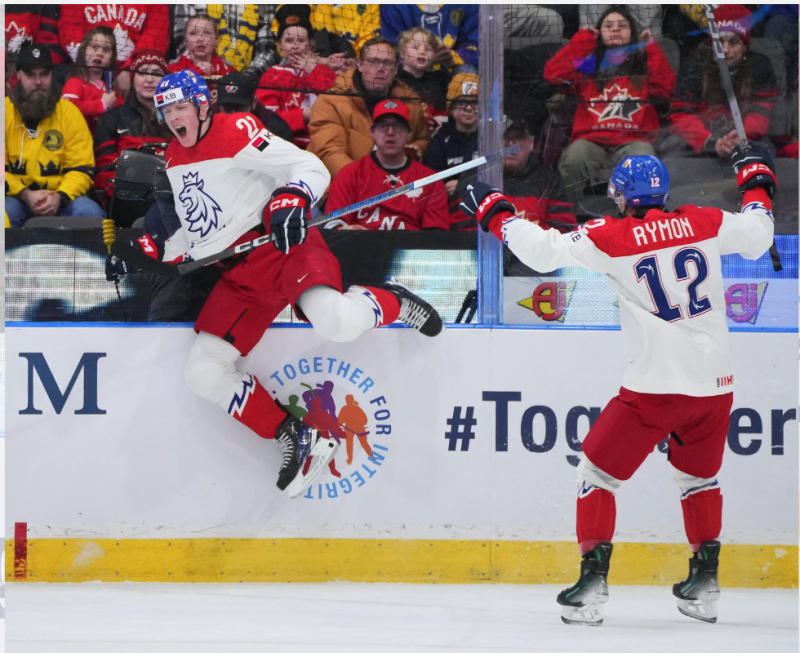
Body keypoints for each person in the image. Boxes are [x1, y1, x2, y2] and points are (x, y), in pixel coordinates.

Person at [459, 149, 776, 626]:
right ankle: (704, 585)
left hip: (655, 387)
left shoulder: (611, 235)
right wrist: (756, 178)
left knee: (597, 475)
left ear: (620, 197)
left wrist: (495, 212)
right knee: (699, 480)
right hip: (715, 386)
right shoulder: (704, 220)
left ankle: (591, 586)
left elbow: (543, 252)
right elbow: (758, 234)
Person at [105, 70, 444, 498]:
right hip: (240, 275)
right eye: (167, 110)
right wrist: (151, 251)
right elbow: (198, 234)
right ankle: (295, 434)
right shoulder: (173, 158)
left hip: (284, 248)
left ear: (201, 105)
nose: (174, 117)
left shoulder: (238, 129)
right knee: (203, 372)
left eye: (180, 107)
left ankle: (393, 302)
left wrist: (293, 198)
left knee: (336, 322)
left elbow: (307, 165)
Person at [543, 6, 676, 203]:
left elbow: (665, 90)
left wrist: (651, 49)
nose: (615, 29)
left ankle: (642, 219)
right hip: (591, 142)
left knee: (645, 162)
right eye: (608, 25)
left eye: (622, 25)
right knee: (573, 159)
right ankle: (570, 218)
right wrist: (582, 41)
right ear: (599, 32)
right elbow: (552, 75)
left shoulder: (643, 66)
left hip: (633, 141)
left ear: (632, 32)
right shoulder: (588, 67)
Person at [5, 44, 105, 227]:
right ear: (18, 75)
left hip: (61, 199)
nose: (38, 82)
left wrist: (59, 197)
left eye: (44, 74)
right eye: (30, 75)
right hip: (15, 197)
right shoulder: (5, 112)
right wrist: (25, 194)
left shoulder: (69, 113)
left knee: (90, 212)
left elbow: (82, 169)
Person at [665, 5, 779, 159]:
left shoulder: (760, 65)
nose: (725, 49)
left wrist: (740, 139)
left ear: (745, 46)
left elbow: (760, 113)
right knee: (672, 146)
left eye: (733, 42)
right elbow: (681, 115)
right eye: (719, 42)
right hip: (703, 140)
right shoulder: (694, 64)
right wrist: (712, 143)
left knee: (765, 150)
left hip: (745, 138)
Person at [308, 35, 430, 177]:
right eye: (373, 61)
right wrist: (365, 182)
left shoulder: (410, 102)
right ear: (360, 64)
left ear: (396, 69)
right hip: (344, 186)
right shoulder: (330, 101)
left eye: (387, 63)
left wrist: (418, 147)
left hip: (394, 185)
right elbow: (330, 152)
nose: (380, 68)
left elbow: (423, 137)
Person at [325, 99, 449, 231]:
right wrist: (345, 232)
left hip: (409, 250)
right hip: (362, 247)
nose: (390, 132)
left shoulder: (429, 179)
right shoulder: (350, 173)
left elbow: (436, 235)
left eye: (398, 126)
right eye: (383, 125)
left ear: (409, 134)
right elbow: (332, 225)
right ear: (372, 132)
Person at [93, 50, 171, 222]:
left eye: (157, 74)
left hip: (169, 199)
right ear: (132, 79)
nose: (149, 79)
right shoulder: (111, 119)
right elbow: (104, 177)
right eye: (142, 73)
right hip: (126, 205)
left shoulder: (176, 121)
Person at [255, 17, 336, 149]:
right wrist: (302, 115)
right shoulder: (272, 75)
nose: (295, 46)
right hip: (287, 144)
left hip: (327, 142)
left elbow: (336, 106)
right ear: (280, 45)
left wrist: (314, 72)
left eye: (301, 40)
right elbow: (266, 121)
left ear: (310, 44)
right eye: (289, 40)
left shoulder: (324, 72)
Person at [61, 26, 124, 133]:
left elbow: (123, 116)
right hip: (78, 142)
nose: (99, 53)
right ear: (83, 52)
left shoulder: (113, 90)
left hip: (106, 144)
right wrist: (102, 104)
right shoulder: (74, 83)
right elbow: (67, 110)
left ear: (111, 59)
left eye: (106, 50)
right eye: (94, 47)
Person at [379, 5, 479, 70]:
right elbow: (390, 50)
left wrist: (453, 57)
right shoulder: (393, 6)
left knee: (467, 71)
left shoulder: (469, 5)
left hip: (451, 71)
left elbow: (478, 49)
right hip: (407, 73)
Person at [395, 28, 450, 134]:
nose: (422, 52)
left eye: (429, 49)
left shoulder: (440, 79)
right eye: (416, 47)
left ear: (434, 55)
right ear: (402, 53)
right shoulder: (393, 79)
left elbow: (443, 113)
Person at [214, 71, 293, 144]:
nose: (234, 115)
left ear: (254, 102)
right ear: (218, 104)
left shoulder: (275, 128)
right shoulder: (206, 123)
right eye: (227, 108)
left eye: (240, 108)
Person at [169, 14, 236, 82]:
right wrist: (194, 72)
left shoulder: (231, 72)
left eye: (207, 33)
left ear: (217, 39)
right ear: (185, 39)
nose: (200, 38)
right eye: (193, 33)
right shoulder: (170, 70)